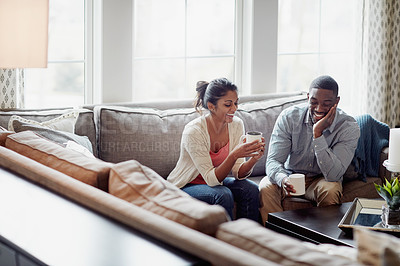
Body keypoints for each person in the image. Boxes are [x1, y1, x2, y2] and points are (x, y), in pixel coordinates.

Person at [259, 75, 360, 224]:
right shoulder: (289, 117)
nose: (319, 109)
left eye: (326, 104)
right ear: (307, 97)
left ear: (337, 101)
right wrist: (283, 179)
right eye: (314, 102)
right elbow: (273, 161)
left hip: (322, 179)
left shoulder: (348, 126)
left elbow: (333, 175)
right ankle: (276, 238)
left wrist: (317, 134)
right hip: (291, 175)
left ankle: (323, 242)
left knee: (330, 190)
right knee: (266, 187)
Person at [167, 78, 265, 222]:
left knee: (250, 189)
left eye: (236, 103)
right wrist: (234, 154)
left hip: (215, 182)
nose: (234, 108)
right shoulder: (194, 131)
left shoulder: (236, 124)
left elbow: (239, 173)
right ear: (211, 106)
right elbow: (211, 179)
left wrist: (253, 159)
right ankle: (226, 240)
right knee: (222, 194)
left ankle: (247, 237)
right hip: (187, 185)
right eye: (228, 104)